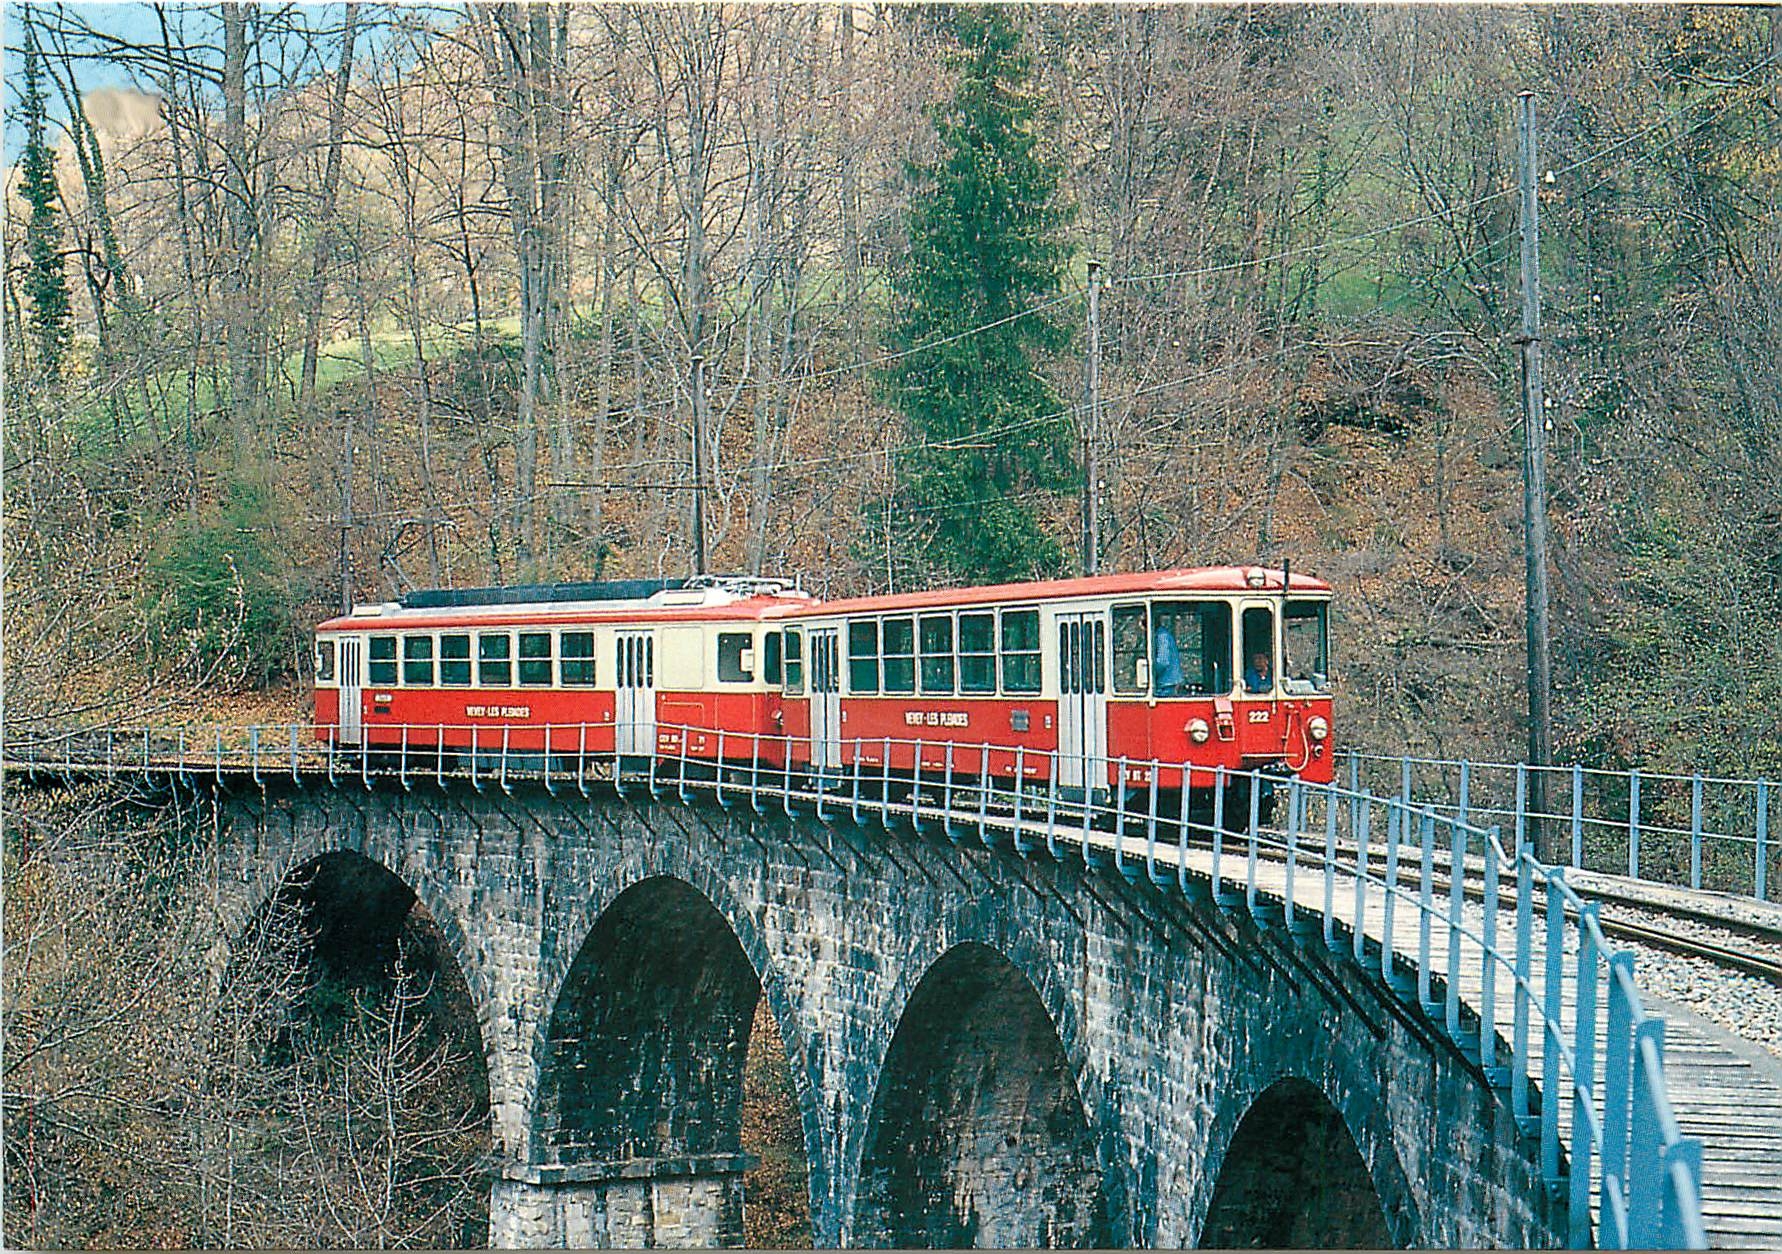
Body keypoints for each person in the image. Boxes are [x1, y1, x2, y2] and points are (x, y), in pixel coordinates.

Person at [1152, 617, 1183, 696]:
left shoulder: (1162, 636)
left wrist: (1150, 673)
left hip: (1167, 684)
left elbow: (1163, 661)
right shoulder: (1161, 635)